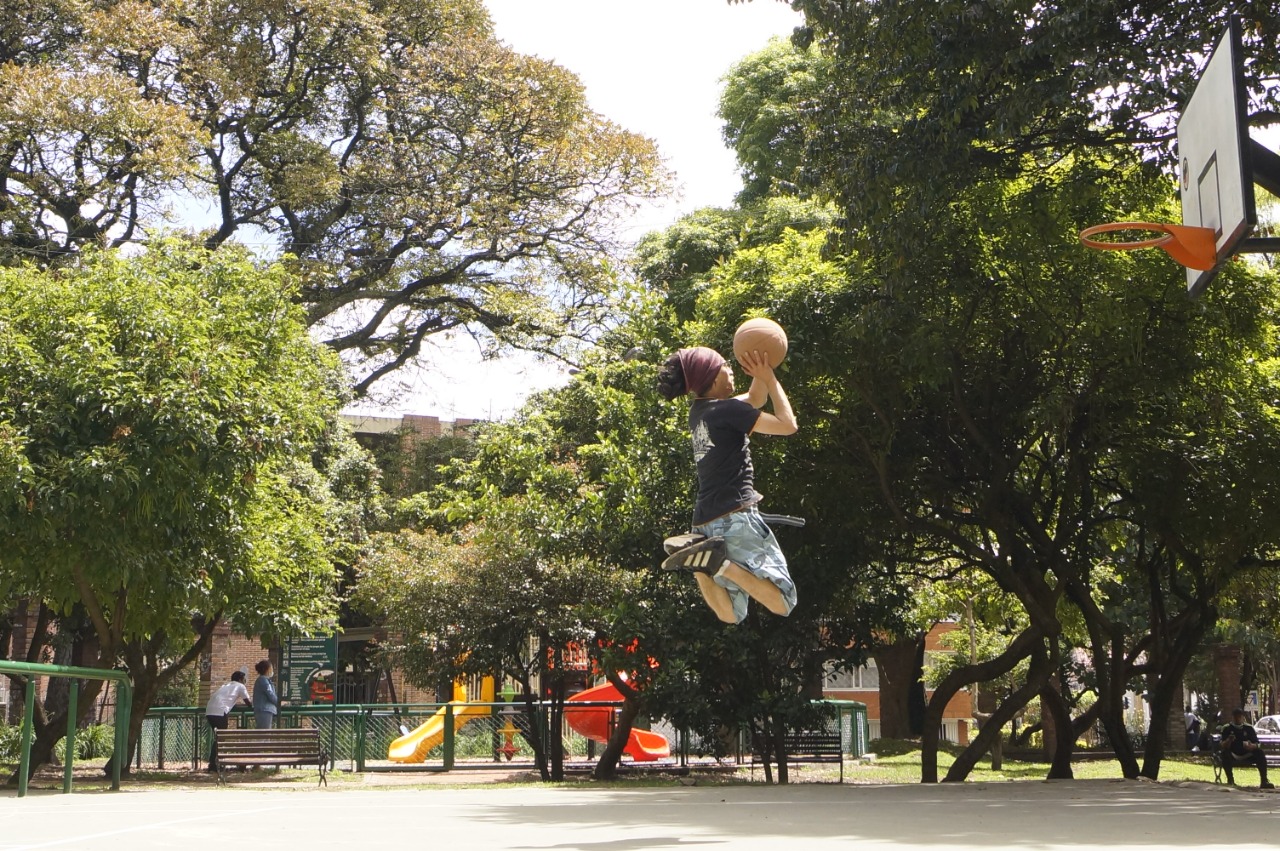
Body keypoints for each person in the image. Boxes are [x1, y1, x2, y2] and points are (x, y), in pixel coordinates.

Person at [655, 345, 798, 625]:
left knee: (731, 614)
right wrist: (770, 378)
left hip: (705, 522)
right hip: (735, 518)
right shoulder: (727, 410)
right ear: (713, 376)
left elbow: (756, 398)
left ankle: (698, 559)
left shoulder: (700, 412)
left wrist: (762, 364)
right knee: (783, 602)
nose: (731, 369)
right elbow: (787, 424)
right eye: (725, 366)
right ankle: (718, 563)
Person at [205, 669, 251, 772]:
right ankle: (214, 764)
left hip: (209, 711)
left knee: (218, 738)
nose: (245, 681)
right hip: (220, 712)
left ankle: (213, 763)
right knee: (221, 738)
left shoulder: (225, 686)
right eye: (244, 679)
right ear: (240, 679)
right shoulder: (240, 686)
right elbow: (248, 703)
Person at [1219, 708, 1275, 789]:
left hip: (1247, 753)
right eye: (1235, 717)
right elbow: (1223, 745)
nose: (1237, 719)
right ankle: (1230, 780)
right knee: (1224, 753)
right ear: (1232, 717)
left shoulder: (1249, 728)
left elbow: (1257, 744)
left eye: (1239, 717)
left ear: (1242, 717)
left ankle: (1264, 781)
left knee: (1260, 753)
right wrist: (1229, 740)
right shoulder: (1227, 728)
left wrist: (1252, 746)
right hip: (1233, 754)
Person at [252, 659, 280, 729]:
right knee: (264, 733)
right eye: (271, 668)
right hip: (264, 710)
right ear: (267, 669)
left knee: (264, 733)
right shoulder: (263, 680)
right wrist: (279, 702)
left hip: (264, 710)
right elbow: (270, 694)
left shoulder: (264, 680)